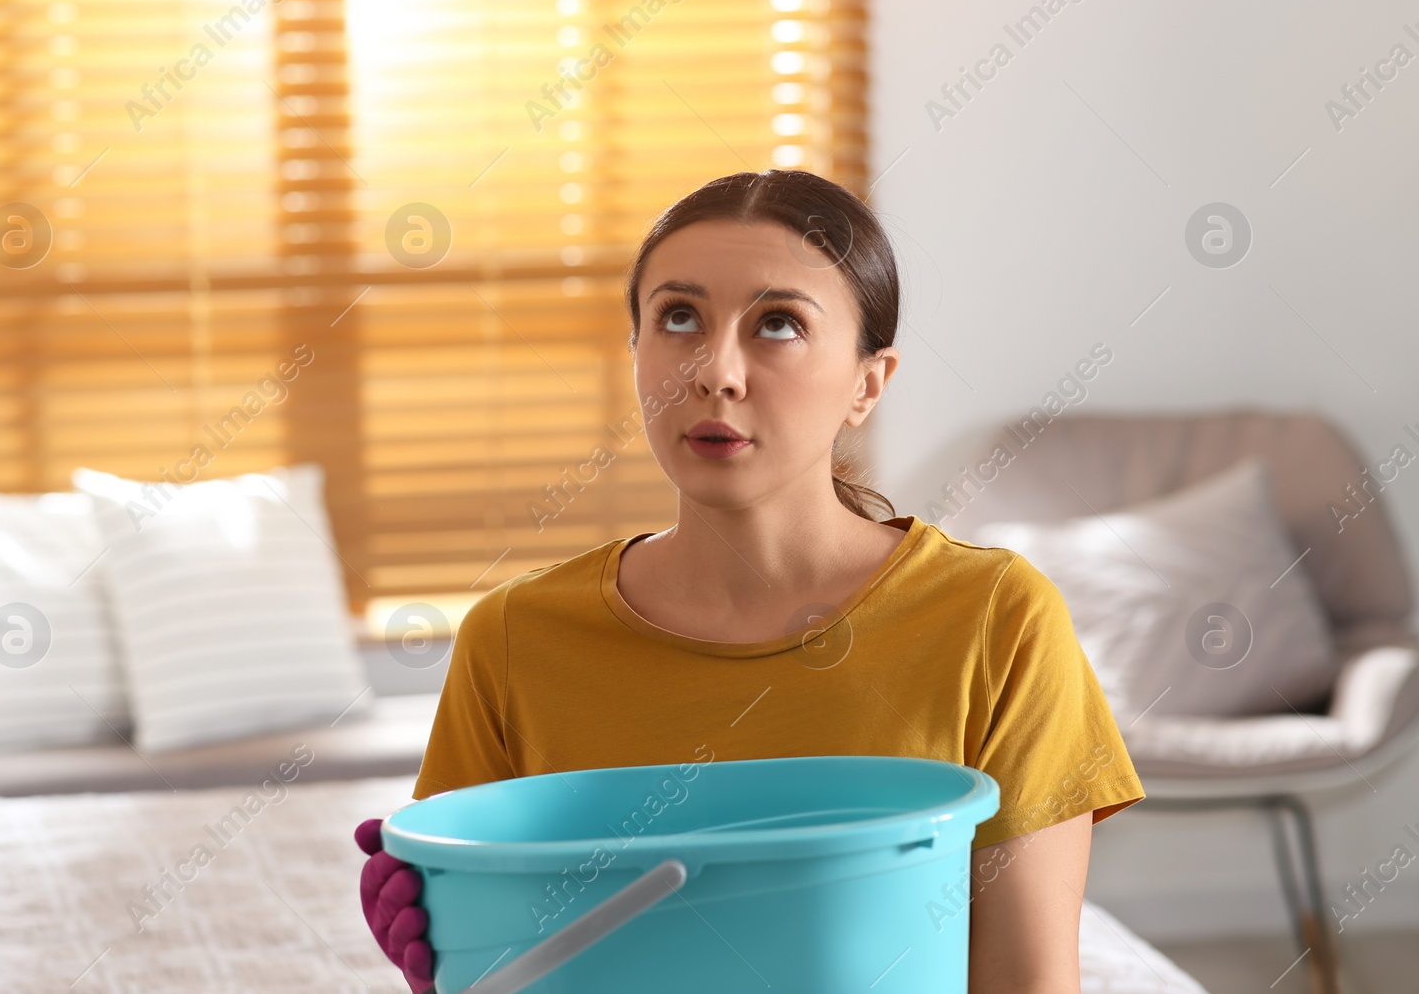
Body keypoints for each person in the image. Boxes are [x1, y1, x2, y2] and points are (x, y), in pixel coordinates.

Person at [358, 168, 1145, 992]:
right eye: (678, 317)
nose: (715, 372)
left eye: (777, 323)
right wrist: (457, 965)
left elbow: (1024, 981)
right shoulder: (514, 639)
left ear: (867, 382)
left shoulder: (996, 620)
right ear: (635, 353)